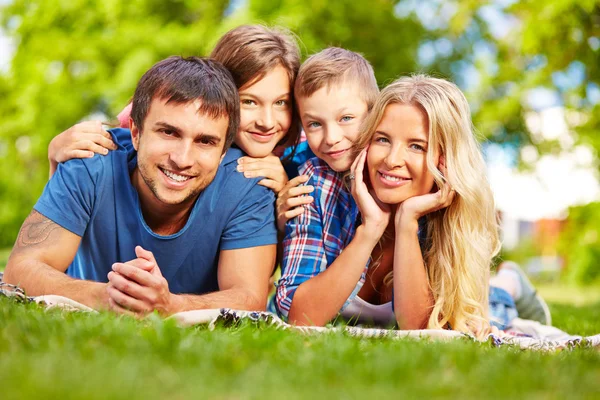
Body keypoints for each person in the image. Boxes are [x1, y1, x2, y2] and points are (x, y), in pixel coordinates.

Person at [276, 74, 550, 338]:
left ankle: (509, 282)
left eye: (417, 146)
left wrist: (407, 222)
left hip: (484, 299)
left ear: (445, 159)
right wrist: (371, 229)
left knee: (491, 311)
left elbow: (421, 330)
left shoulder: (451, 217)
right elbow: (300, 317)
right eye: (382, 139)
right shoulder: (320, 186)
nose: (392, 160)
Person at [4, 56, 278, 316]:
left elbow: (250, 297)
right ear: (135, 132)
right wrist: (110, 297)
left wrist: (170, 305)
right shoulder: (89, 161)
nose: (182, 159)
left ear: (222, 151)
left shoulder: (246, 183)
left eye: (205, 141)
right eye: (168, 132)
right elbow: (20, 269)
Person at [48, 25, 302, 196]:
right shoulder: (150, 122)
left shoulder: (302, 151)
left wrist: (283, 190)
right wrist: (55, 157)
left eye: (281, 103)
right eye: (249, 102)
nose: (267, 122)